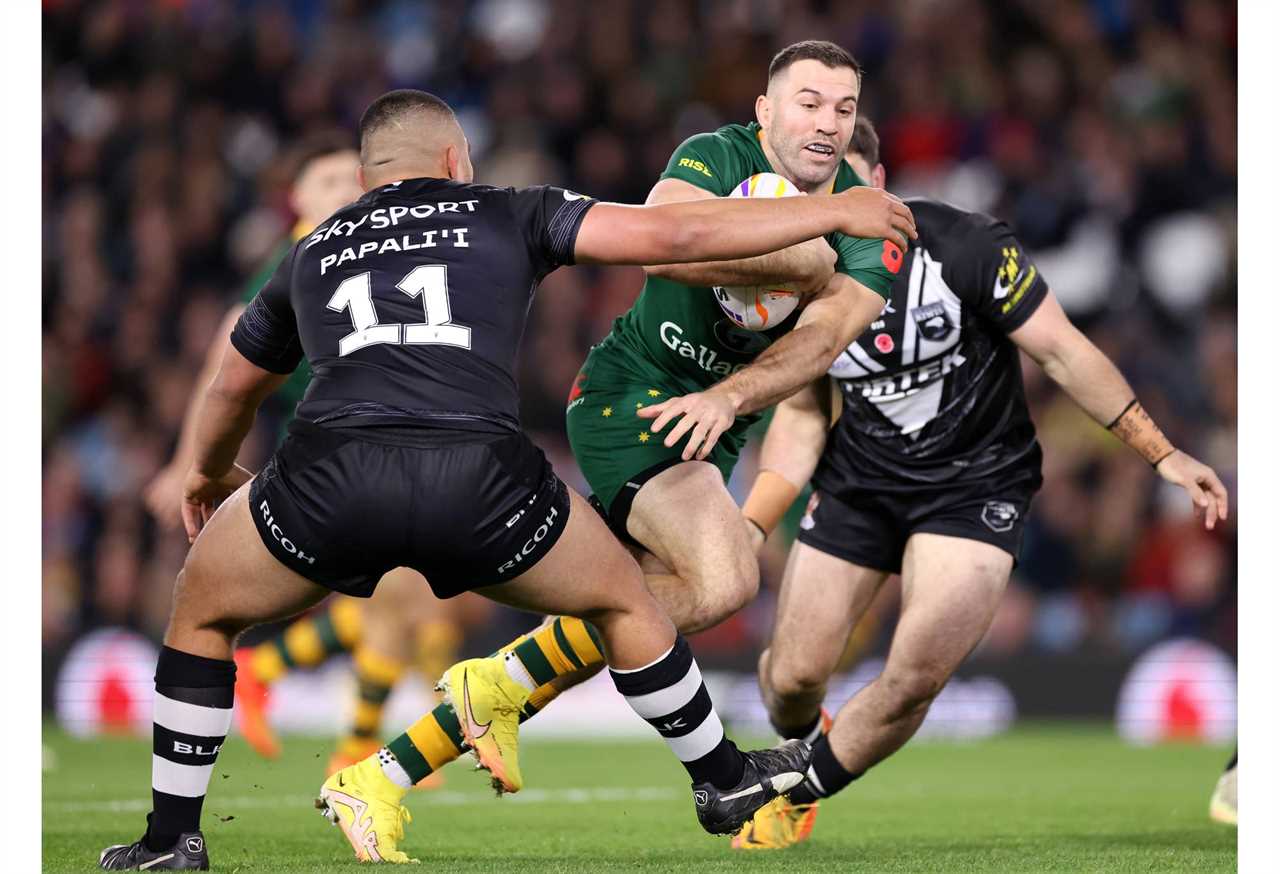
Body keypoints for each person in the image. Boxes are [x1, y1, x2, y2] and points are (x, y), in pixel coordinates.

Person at [99, 88, 916, 869]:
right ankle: (720, 778)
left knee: (201, 612)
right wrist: (837, 209)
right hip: (481, 478)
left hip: (331, 475)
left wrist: (205, 475)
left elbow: (234, 387)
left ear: (362, 180)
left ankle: (174, 836)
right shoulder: (508, 208)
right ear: (457, 161)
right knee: (627, 601)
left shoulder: (312, 249)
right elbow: (672, 238)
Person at [358, 39, 915, 801]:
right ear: (766, 112)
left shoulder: (871, 230)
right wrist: (805, 251)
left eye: (843, 110)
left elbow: (821, 344)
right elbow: (662, 250)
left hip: (710, 431)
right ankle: (676, 763)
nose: (826, 123)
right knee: (723, 580)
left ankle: (387, 774)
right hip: (632, 397)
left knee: (630, 610)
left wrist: (730, 401)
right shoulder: (716, 156)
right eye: (809, 103)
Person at [729, 117, 1231, 849]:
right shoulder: (792, 281)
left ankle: (798, 788)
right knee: (791, 681)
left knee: (913, 675)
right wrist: (752, 523)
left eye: (840, 186)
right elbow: (804, 414)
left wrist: (1162, 454)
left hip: (975, 489)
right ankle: (805, 739)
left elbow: (1062, 350)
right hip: (860, 486)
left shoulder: (966, 247)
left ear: (876, 185)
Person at [140, 133, 474, 780]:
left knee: (403, 603)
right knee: (405, 596)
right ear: (295, 198)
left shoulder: (361, 256)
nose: (345, 195)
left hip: (372, 457)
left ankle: (308, 711)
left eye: (351, 185)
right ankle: (348, 747)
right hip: (325, 466)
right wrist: (189, 463)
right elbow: (223, 364)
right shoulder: (291, 264)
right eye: (326, 185)